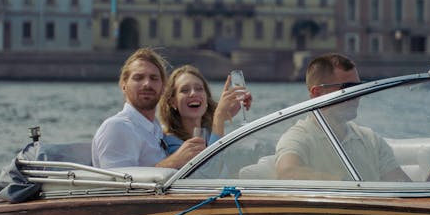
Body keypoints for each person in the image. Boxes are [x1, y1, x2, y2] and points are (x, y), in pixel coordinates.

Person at [274, 53, 410, 181]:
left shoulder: (371, 139)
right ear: (318, 93)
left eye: (359, 87)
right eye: (348, 89)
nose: (358, 95)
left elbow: (401, 183)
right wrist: (344, 183)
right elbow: (287, 172)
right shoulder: (299, 136)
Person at [91, 48, 205, 170]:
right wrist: (174, 161)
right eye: (138, 78)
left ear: (163, 88)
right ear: (124, 85)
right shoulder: (118, 127)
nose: (147, 84)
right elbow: (118, 184)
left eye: (154, 78)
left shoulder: (156, 130)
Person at [158, 66, 252, 155]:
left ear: (206, 98)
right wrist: (219, 116)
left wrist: (228, 111)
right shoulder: (171, 142)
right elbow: (209, 168)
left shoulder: (207, 134)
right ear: (173, 102)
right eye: (185, 90)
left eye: (199, 89)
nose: (193, 93)